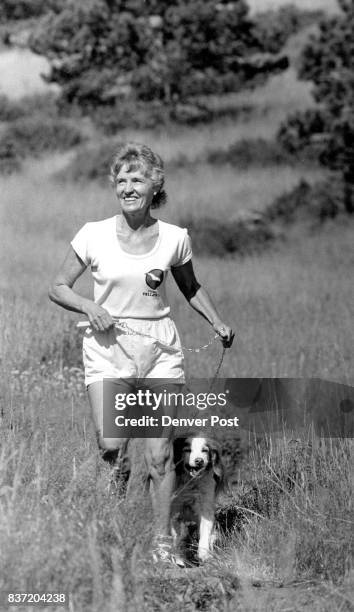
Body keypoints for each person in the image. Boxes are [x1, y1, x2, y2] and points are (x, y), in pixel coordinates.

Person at [49, 142, 234, 561]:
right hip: (107, 350)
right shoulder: (92, 234)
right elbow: (57, 286)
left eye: (137, 179)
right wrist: (89, 306)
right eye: (122, 179)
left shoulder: (174, 238)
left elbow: (190, 286)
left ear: (155, 185)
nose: (128, 186)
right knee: (112, 445)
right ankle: (118, 504)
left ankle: (162, 542)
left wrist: (217, 321)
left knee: (160, 454)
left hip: (160, 353)